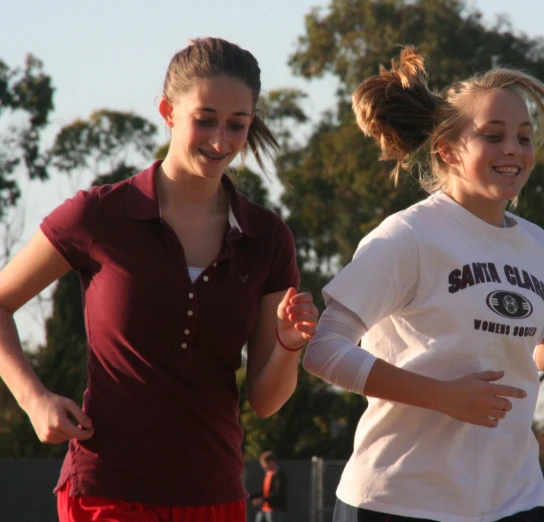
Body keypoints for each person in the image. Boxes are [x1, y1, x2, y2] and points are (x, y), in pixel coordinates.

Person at [303, 46, 544, 522]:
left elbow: (521, 336)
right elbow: (323, 350)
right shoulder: (408, 236)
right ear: (448, 150)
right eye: (494, 136)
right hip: (400, 501)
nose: (513, 149)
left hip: (513, 500)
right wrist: (442, 395)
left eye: (524, 137)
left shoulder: (536, 244)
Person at [0, 37, 318, 522]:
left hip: (217, 494)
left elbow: (264, 401)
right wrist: (33, 399)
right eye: (205, 119)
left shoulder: (267, 237)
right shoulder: (98, 215)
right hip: (106, 491)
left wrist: (290, 346)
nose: (220, 141)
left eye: (238, 124)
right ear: (169, 111)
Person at [250, 451, 288, 522]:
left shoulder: (279, 475)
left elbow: (278, 492)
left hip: (274, 509)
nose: (263, 466)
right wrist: (250, 496)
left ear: (271, 462)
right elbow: (263, 491)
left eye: (264, 464)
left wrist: (263, 500)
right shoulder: (268, 475)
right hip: (264, 508)